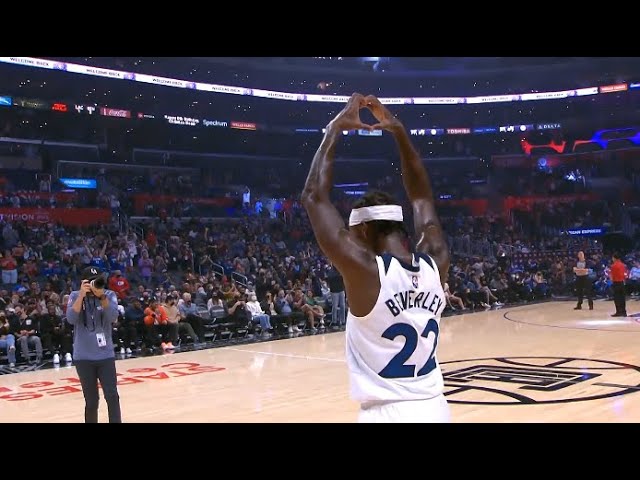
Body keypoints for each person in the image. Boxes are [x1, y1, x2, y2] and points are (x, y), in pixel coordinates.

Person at [302, 93, 450, 423]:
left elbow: (313, 196)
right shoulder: (435, 260)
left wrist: (335, 128)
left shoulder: (368, 272)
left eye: (353, 235)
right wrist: (399, 133)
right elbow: (422, 197)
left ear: (366, 230)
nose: (352, 243)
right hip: (436, 408)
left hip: (387, 413)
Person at [66, 266, 122, 423]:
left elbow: (112, 317)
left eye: (97, 280)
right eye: (90, 281)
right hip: (83, 357)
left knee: (112, 396)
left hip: (105, 355)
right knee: (91, 401)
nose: (94, 284)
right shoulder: (75, 295)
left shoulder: (109, 294)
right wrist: (82, 295)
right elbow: (71, 318)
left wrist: (102, 297)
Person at [609, 252, 627, 317]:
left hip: (616, 283)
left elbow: (612, 276)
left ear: (614, 258)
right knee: (622, 298)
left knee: (617, 298)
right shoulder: (623, 265)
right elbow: (625, 275)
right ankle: (624, 312)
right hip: (622, 283)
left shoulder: (613, 266)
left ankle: (618, 312)